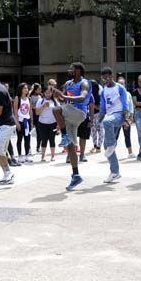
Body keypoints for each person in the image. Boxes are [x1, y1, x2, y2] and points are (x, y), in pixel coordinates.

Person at [52, 62, 91, 191]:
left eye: (72, 69)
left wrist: (63, 96)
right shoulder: (68, 83)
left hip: (79, 113)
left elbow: (82, 97)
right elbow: (64, 100)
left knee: (56, 110)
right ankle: (76, 175)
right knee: (71, 147)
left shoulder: (84, 83)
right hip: (69, 114)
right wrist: (58, 95)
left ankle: (64, 136)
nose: (69, 70)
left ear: (78, 70)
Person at [99, 68, 130, 183]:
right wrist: (96, 121)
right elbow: (102, 108)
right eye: (103, 79)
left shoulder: (120, 88)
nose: (105, 80)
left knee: (107, 123)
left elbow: (125, 105)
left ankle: (112, 144)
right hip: (109, 116)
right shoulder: (103, 91)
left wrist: (126, 120)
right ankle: (115, 172)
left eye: (107, 77)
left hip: (119, 116)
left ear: (112, 76)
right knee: (106, 147)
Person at [35, 86, 58, 162]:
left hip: (53, 123)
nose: (48, 94)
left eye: (49, 93)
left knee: (52, 139)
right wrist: (43, 106)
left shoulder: (55, 101)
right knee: (44, 140)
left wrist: (58, 124)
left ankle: (53, 156)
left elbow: (59, 113)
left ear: (52, 93)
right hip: (42, 123)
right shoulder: (40, 101)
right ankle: (43, 156)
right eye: (46, 93)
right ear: (44, 93)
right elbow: (37, 112)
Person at [115, 76, 135, 159]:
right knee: (115, 135)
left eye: (122, 83)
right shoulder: (114, 94)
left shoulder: (128, 94)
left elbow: (131, 106)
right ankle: (112, 152)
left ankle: (130, 152)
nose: (121, 85)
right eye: (119, 84)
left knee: (127, 135)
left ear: (125, 84)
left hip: (126, 118)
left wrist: (131, 116)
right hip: (117, 117)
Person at [13, 83, 33, 163]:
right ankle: (20, 156)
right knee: (19, 139)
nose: (26, 89)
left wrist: (31, 121)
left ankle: (27, 155)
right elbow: (15, 111)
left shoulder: (29, 98)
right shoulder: (17, 98)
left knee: (27, 139)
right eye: (24, 88)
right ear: (21, 89)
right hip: (20, 121)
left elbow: (30, 110)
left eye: (27, 88)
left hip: (27, 121)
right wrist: (17, 122)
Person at [89, 79, 103, 153]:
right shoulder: (88, 96)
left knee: (100, 130)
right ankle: (95, 145)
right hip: (91, 115)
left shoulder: (98, 96)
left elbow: (99, 107)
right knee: (93, 131)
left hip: (98, 114)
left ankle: (99, 146)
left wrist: (92, 105)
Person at [29, 83, 43, 154]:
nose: (40, 90)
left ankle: (39, 146)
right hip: (35, 115)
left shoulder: (40, 96)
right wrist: (36, 108)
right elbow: (30, 106)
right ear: (35, 90)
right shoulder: (31, 97)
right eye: (39, 89)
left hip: (40, 114)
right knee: (38, 132)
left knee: (41, 132)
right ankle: (36, 147)